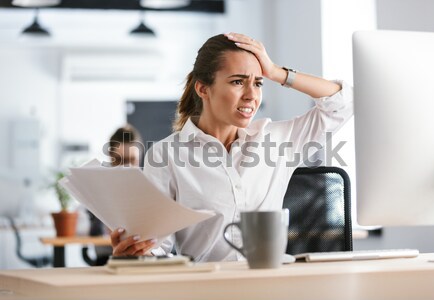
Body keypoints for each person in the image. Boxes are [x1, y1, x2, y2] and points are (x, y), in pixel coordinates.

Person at [110, 33, 353, 262]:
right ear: (203, 88)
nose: (251, 95)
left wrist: (277, 73)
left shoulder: (277, 141)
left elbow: (344, 103)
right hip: (206, 288)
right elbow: (155, 248)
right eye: (238, 81)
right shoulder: (166, 155)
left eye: (258, 83)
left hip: (267, 284)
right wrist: (135, 254)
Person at [87, 124, 143, 264]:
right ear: (111, 158)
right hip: (106, 258)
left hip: (143, 257)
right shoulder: (98, 187)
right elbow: (87, 230)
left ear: (140, 157)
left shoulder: (151, 187)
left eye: (131, 160)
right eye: (120, 160)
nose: (126, 167)